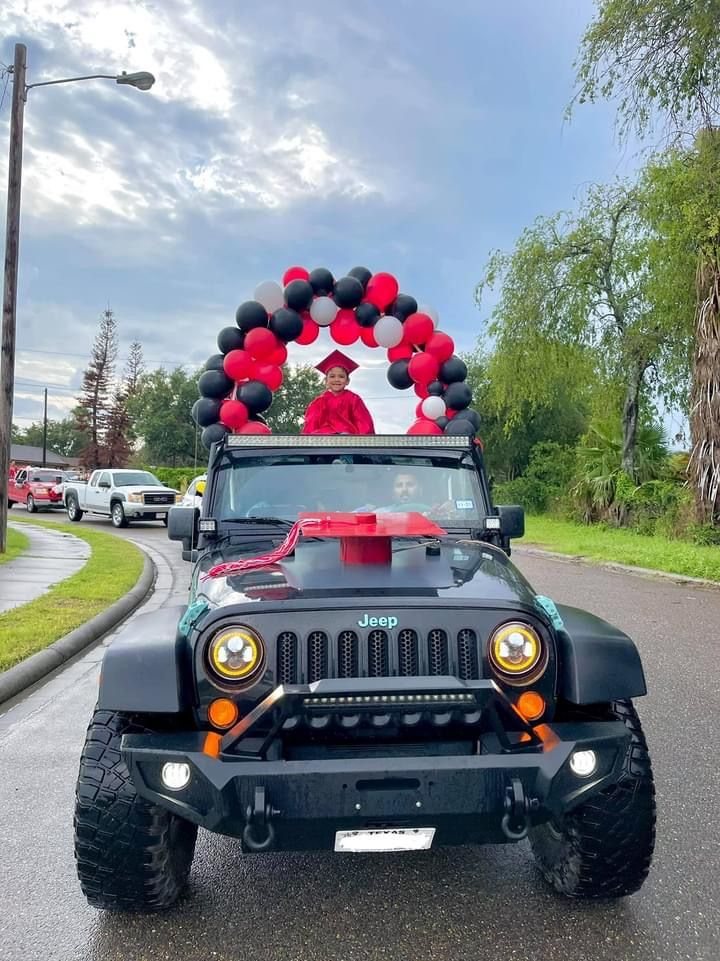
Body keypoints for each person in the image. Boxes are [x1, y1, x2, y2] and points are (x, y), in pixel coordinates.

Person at [302, 350, 375, 435]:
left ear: (347, 381)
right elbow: (311, 425)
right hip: (323, 439)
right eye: (332, 376)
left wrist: (363, 442)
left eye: (341, 376)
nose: (336, 379)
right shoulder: (318, 402)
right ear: (326, 380)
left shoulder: (354, 399)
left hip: (348, 439)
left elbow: (364, 423)